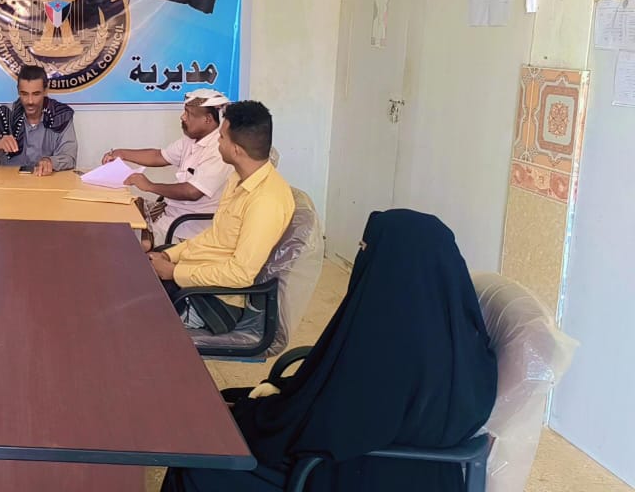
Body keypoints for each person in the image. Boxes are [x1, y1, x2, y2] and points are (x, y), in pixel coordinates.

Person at [161, 210, 498, 492]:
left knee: (203, 462)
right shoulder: (454, 338)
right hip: (383, 460)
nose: (361, 256)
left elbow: (333, 427)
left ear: (393, 264)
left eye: (367, 249)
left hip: (360, 472)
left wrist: (262, 413)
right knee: (231, 414)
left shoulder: (392, 348)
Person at [147, 100, 294, 334]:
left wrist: (174, 272)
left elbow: (240, 274)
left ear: (236, 150)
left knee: (130, 310)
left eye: (222, 137)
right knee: (133, 274)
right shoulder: (238, 178)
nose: (217, 141)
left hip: (215, 300)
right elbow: (215, 236)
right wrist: (169, 255)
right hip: (198, 272)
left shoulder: (266, 201)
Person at [102, 89, 233, 250]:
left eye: (189, 114)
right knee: (116, 213)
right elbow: (159, 156)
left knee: (119, 240)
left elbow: (192, 192)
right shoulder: (192, 139)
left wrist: (150, 186)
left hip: (185, 229)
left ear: (207, 119)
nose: (182, 117)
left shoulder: (219, 150)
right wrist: (121, 153)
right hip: (169, 213)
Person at [0, 65, 78, 176]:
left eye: (36, 94)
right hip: (7, 182)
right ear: (18, 91)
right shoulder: (3, 116)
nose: (30, 101)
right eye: (24, 94)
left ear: (45, 91)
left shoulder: (61, 116)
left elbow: (70, 158)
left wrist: (50, 161)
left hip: (46, 182)